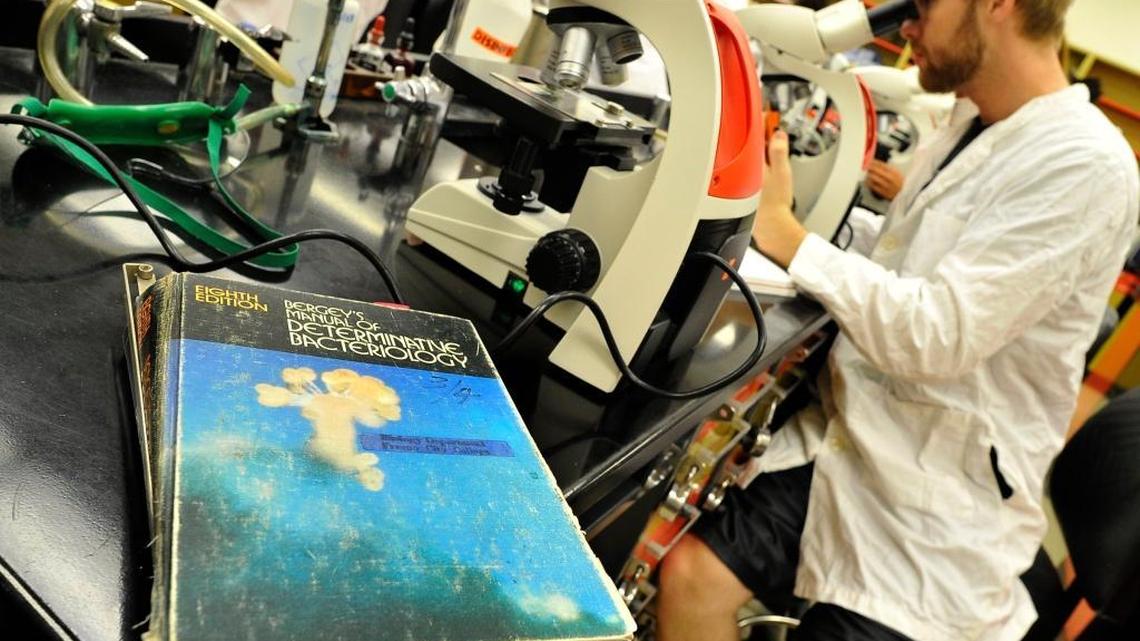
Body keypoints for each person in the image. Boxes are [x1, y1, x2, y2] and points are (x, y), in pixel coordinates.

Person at [657, 1, 1139, 640]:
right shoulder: (976, 118)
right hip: (859, 439)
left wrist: (793, 238)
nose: (905, 27)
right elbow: (913, 254)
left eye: (922, 5)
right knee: (693, 578)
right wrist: (814, 221)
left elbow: (937, 333)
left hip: (936, 503)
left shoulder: (1087, 164)